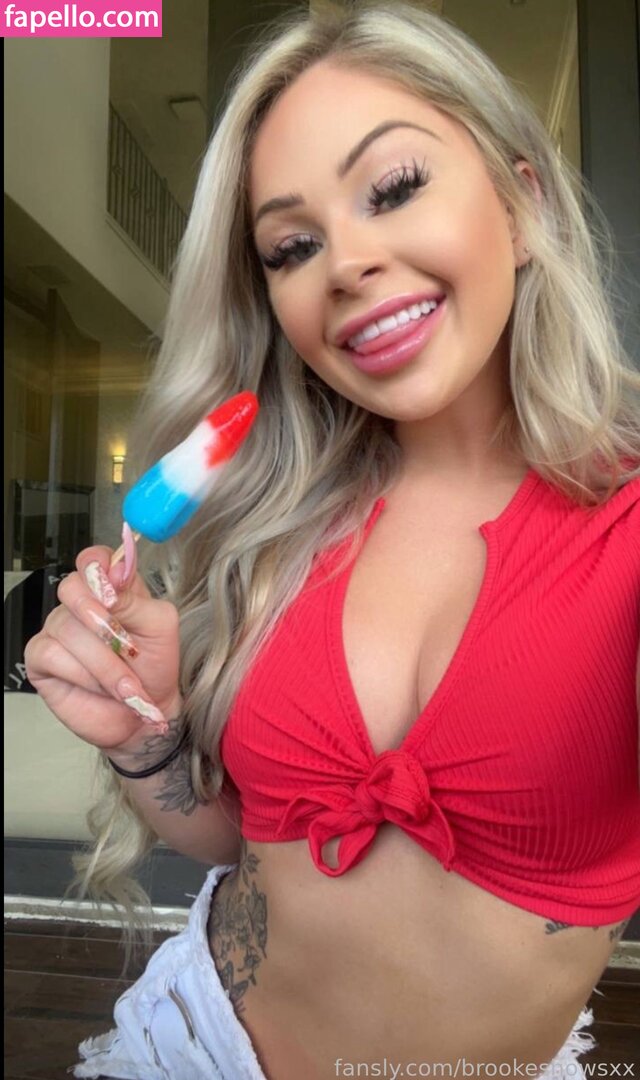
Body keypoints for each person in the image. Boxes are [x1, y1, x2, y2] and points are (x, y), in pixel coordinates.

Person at [24, 3, 640, 1079]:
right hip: (188, 1043)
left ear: (522, 205)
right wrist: (144, 737)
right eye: (292, 246)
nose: (345, 263)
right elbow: (241, 842)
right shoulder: (281, 525)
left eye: (392, 187)